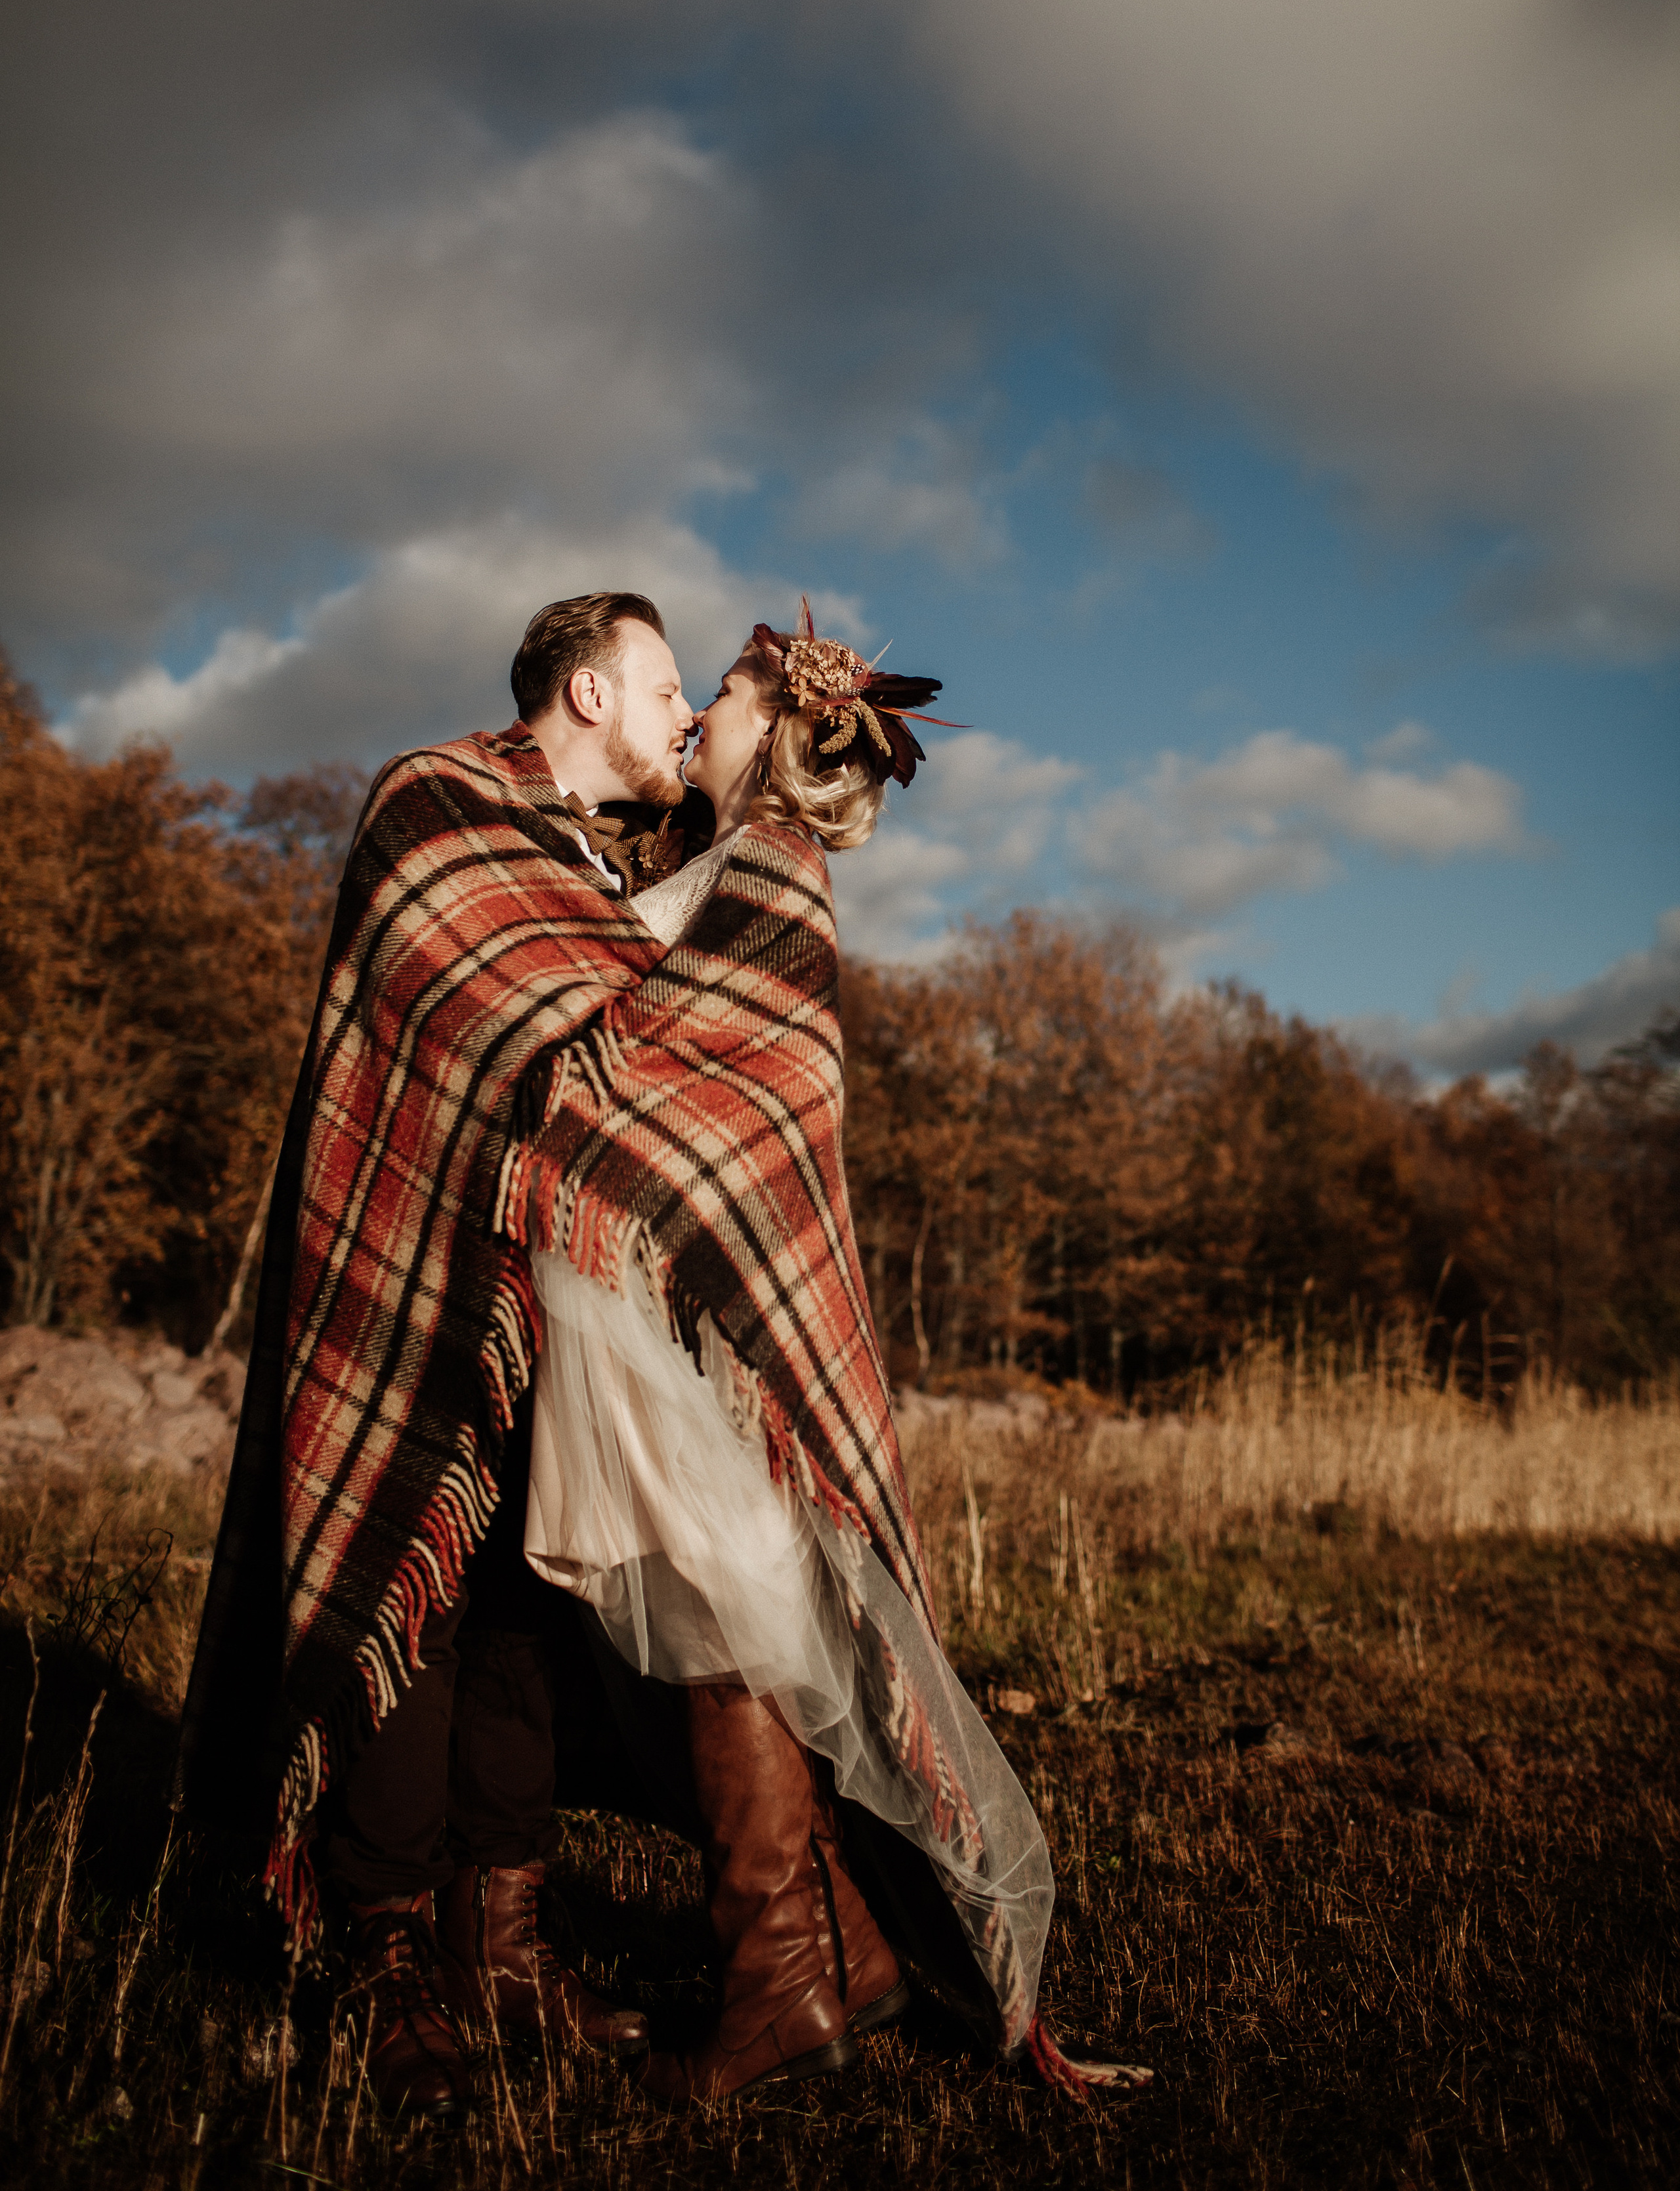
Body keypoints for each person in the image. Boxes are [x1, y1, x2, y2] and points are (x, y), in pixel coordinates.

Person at [503, 603, 1149, 2102]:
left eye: (713, 692)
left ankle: (788, 1969)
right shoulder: (699, 867)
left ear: (777, 731)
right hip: (639, 1302)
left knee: (728, 1597)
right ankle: (819, 1951)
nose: (693, 715)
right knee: (715, 1599)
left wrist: (573, 1135)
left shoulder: (770, 873)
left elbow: (720, 1098)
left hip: (669, 1303)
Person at [177, 591, 702, 2121]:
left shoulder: (629, 867)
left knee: (527, 1605)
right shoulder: (438, 799)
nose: (681, 717)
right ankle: (386, 1950)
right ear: (589, 689)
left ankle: (507, 1941)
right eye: (666, 687)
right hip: (414, 1272)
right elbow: (476, 1027)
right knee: (402, 1589)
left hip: (559, 1299)